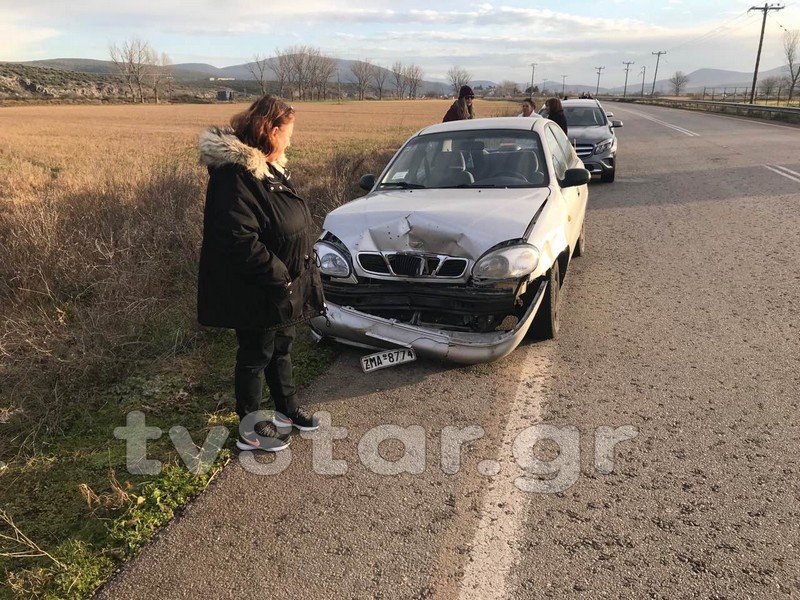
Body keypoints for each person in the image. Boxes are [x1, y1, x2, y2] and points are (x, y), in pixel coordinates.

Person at [197, 95, 326, 452]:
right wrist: (278, 274)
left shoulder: (271, 167)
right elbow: (237, 238)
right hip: (255, 286)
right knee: (255, 355)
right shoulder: (234, 177)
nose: (291, 139)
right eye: (288, 131)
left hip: (282, 285)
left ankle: (287, 409)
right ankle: (250, 427)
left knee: (282, 347)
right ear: (270, 130)